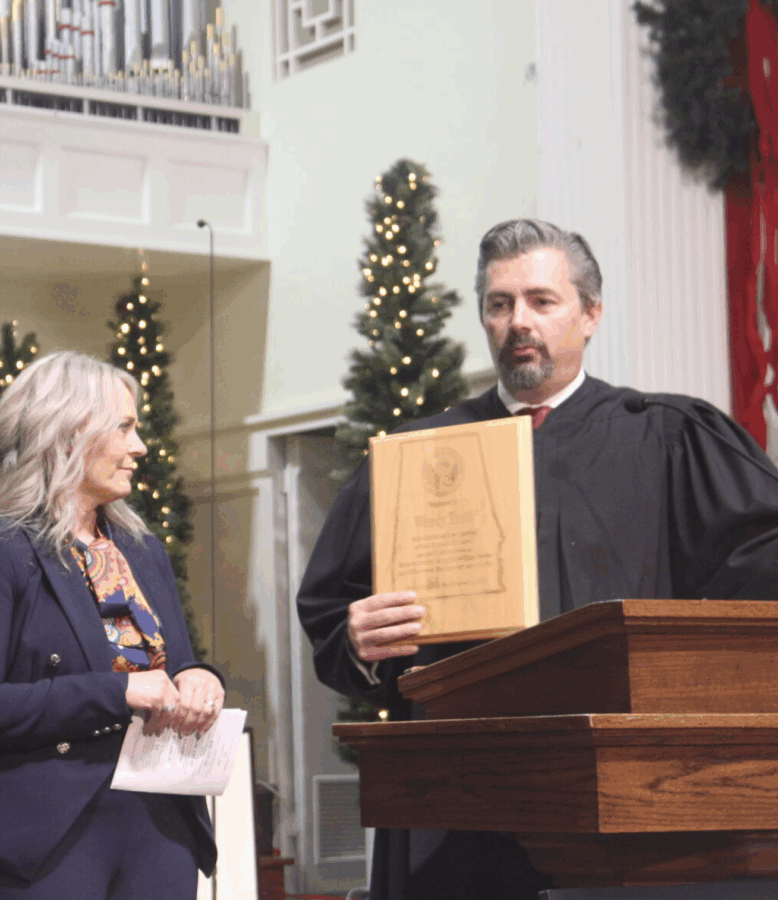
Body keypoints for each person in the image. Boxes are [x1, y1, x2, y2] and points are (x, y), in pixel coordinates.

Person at [298, 218, 778, 900]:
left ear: (590, 315)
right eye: (500, 304)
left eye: (541, 301)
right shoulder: (416, 457)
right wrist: (358, 639)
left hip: (623, 793)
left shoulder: (669, 441)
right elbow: (331, 609)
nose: (518, 321)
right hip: (461, 787)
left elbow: (759, 574)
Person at [0, 350, 223, 900]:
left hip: (161, 823)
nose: (140, 447)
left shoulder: (141, 549)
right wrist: (116, 692)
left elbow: (171, 664)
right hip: (43, 833)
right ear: (64, 434)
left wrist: (199, 678)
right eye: (125, 428)